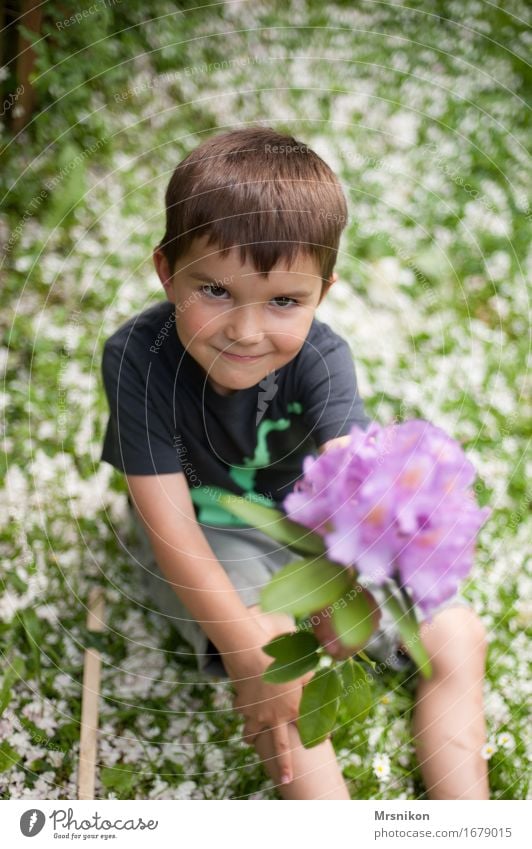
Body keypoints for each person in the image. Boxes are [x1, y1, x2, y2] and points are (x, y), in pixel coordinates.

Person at [100, 126, 490, 800]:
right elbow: (170, 529)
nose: (246, 332)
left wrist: (353, 588)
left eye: (283, 301)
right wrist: (249, 653)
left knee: (458, 635)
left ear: (322, 292)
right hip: (212, 533)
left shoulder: (322, 359)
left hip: (313, 527)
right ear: (165, 270)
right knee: (280, 665)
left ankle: (472, 825)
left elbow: (353, 484)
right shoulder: (139, 355)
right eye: (215, 290)